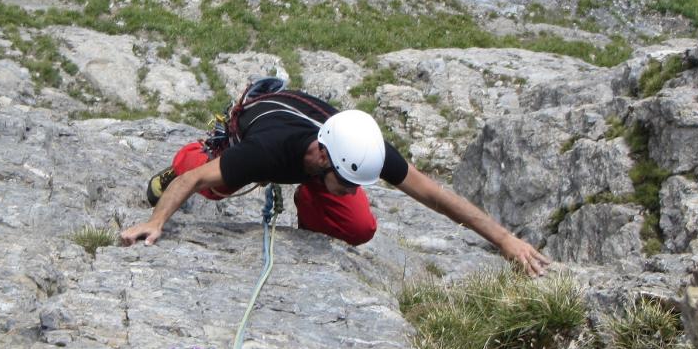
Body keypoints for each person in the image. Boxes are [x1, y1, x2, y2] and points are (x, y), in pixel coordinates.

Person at [120, 79, 550, 277]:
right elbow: (193, 182)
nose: (352, 188)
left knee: (360, 226)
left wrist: (505, 240)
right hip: (255, 130)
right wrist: (156, 222)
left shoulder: (359, 149)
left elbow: (435, 196)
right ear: (321, 156)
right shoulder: (264, 153)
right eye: (345, 182)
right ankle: (181, 155)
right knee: (214, 184)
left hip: (309, 162)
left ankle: (308, 208)